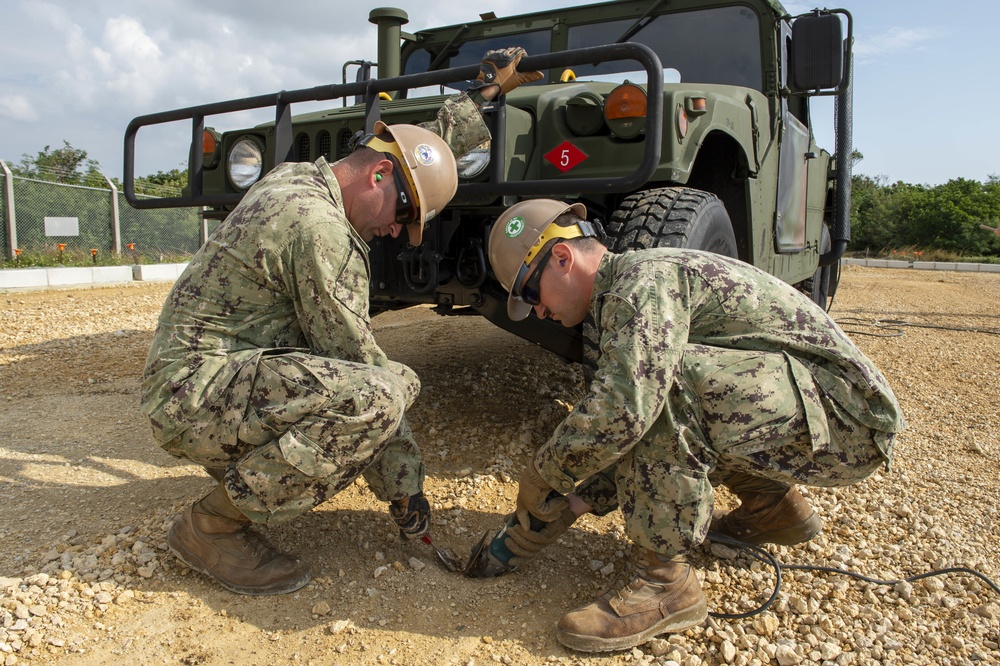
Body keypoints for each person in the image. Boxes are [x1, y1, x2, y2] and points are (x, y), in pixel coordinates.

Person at [140, 48, 542, 596]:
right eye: (404, 215)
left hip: (196, 380)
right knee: (379, 396)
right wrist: (406, 492)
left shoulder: (300, 180)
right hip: (196, 396)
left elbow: (405, 145)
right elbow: (361, 364)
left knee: (375, 386)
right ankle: (211, 526)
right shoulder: (320, 231)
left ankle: (243, 473)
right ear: (378, 176)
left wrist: (475, 101)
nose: (399, 232)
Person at [486, 199, 907, 652]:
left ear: (563, 258)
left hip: (847, 421)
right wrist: (575, 504)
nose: (539, 313)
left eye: (531, 294)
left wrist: (546, 472)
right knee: (675, 389)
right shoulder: (631, 287)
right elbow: (645, 434)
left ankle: (666, 584)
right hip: (829, 414)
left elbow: (628, 410)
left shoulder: (639, 285)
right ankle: (773, 508)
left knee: (667, 386)